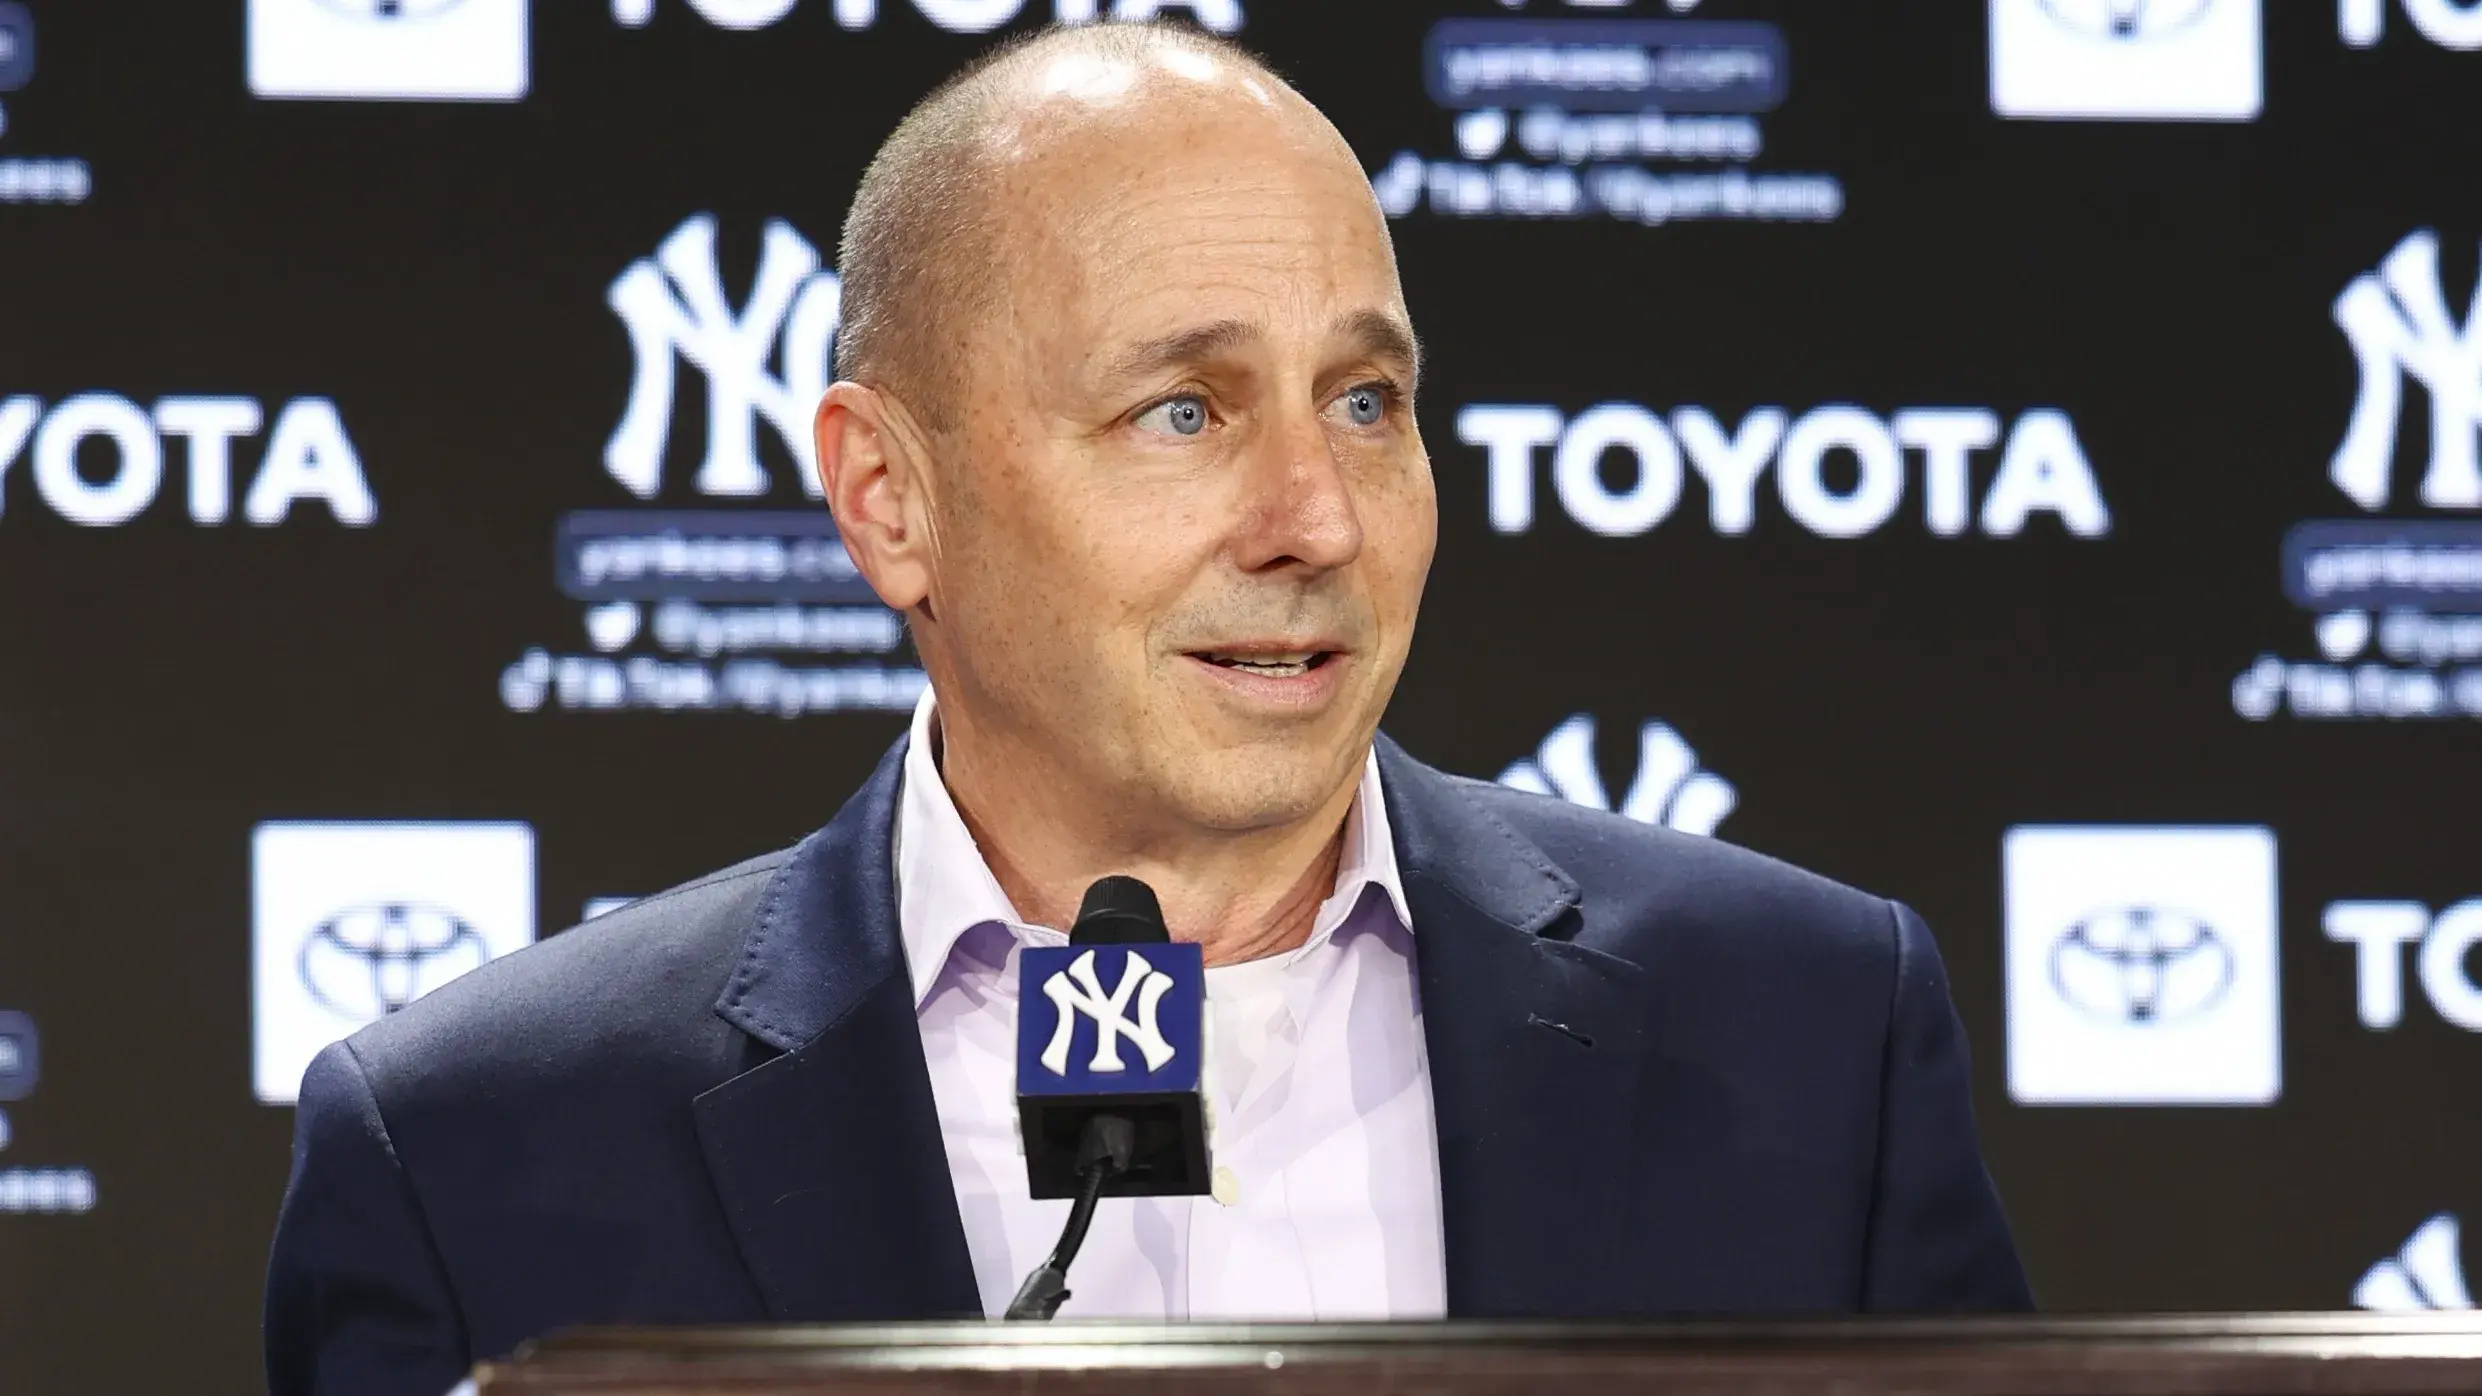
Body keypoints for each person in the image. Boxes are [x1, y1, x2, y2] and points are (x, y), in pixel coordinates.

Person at [264, 20, 2031, 1396]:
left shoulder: (1813, 1034)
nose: (1315, 518)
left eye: (1363, 400)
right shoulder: (479, 1154)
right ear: (891, 498)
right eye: (1182, 413)